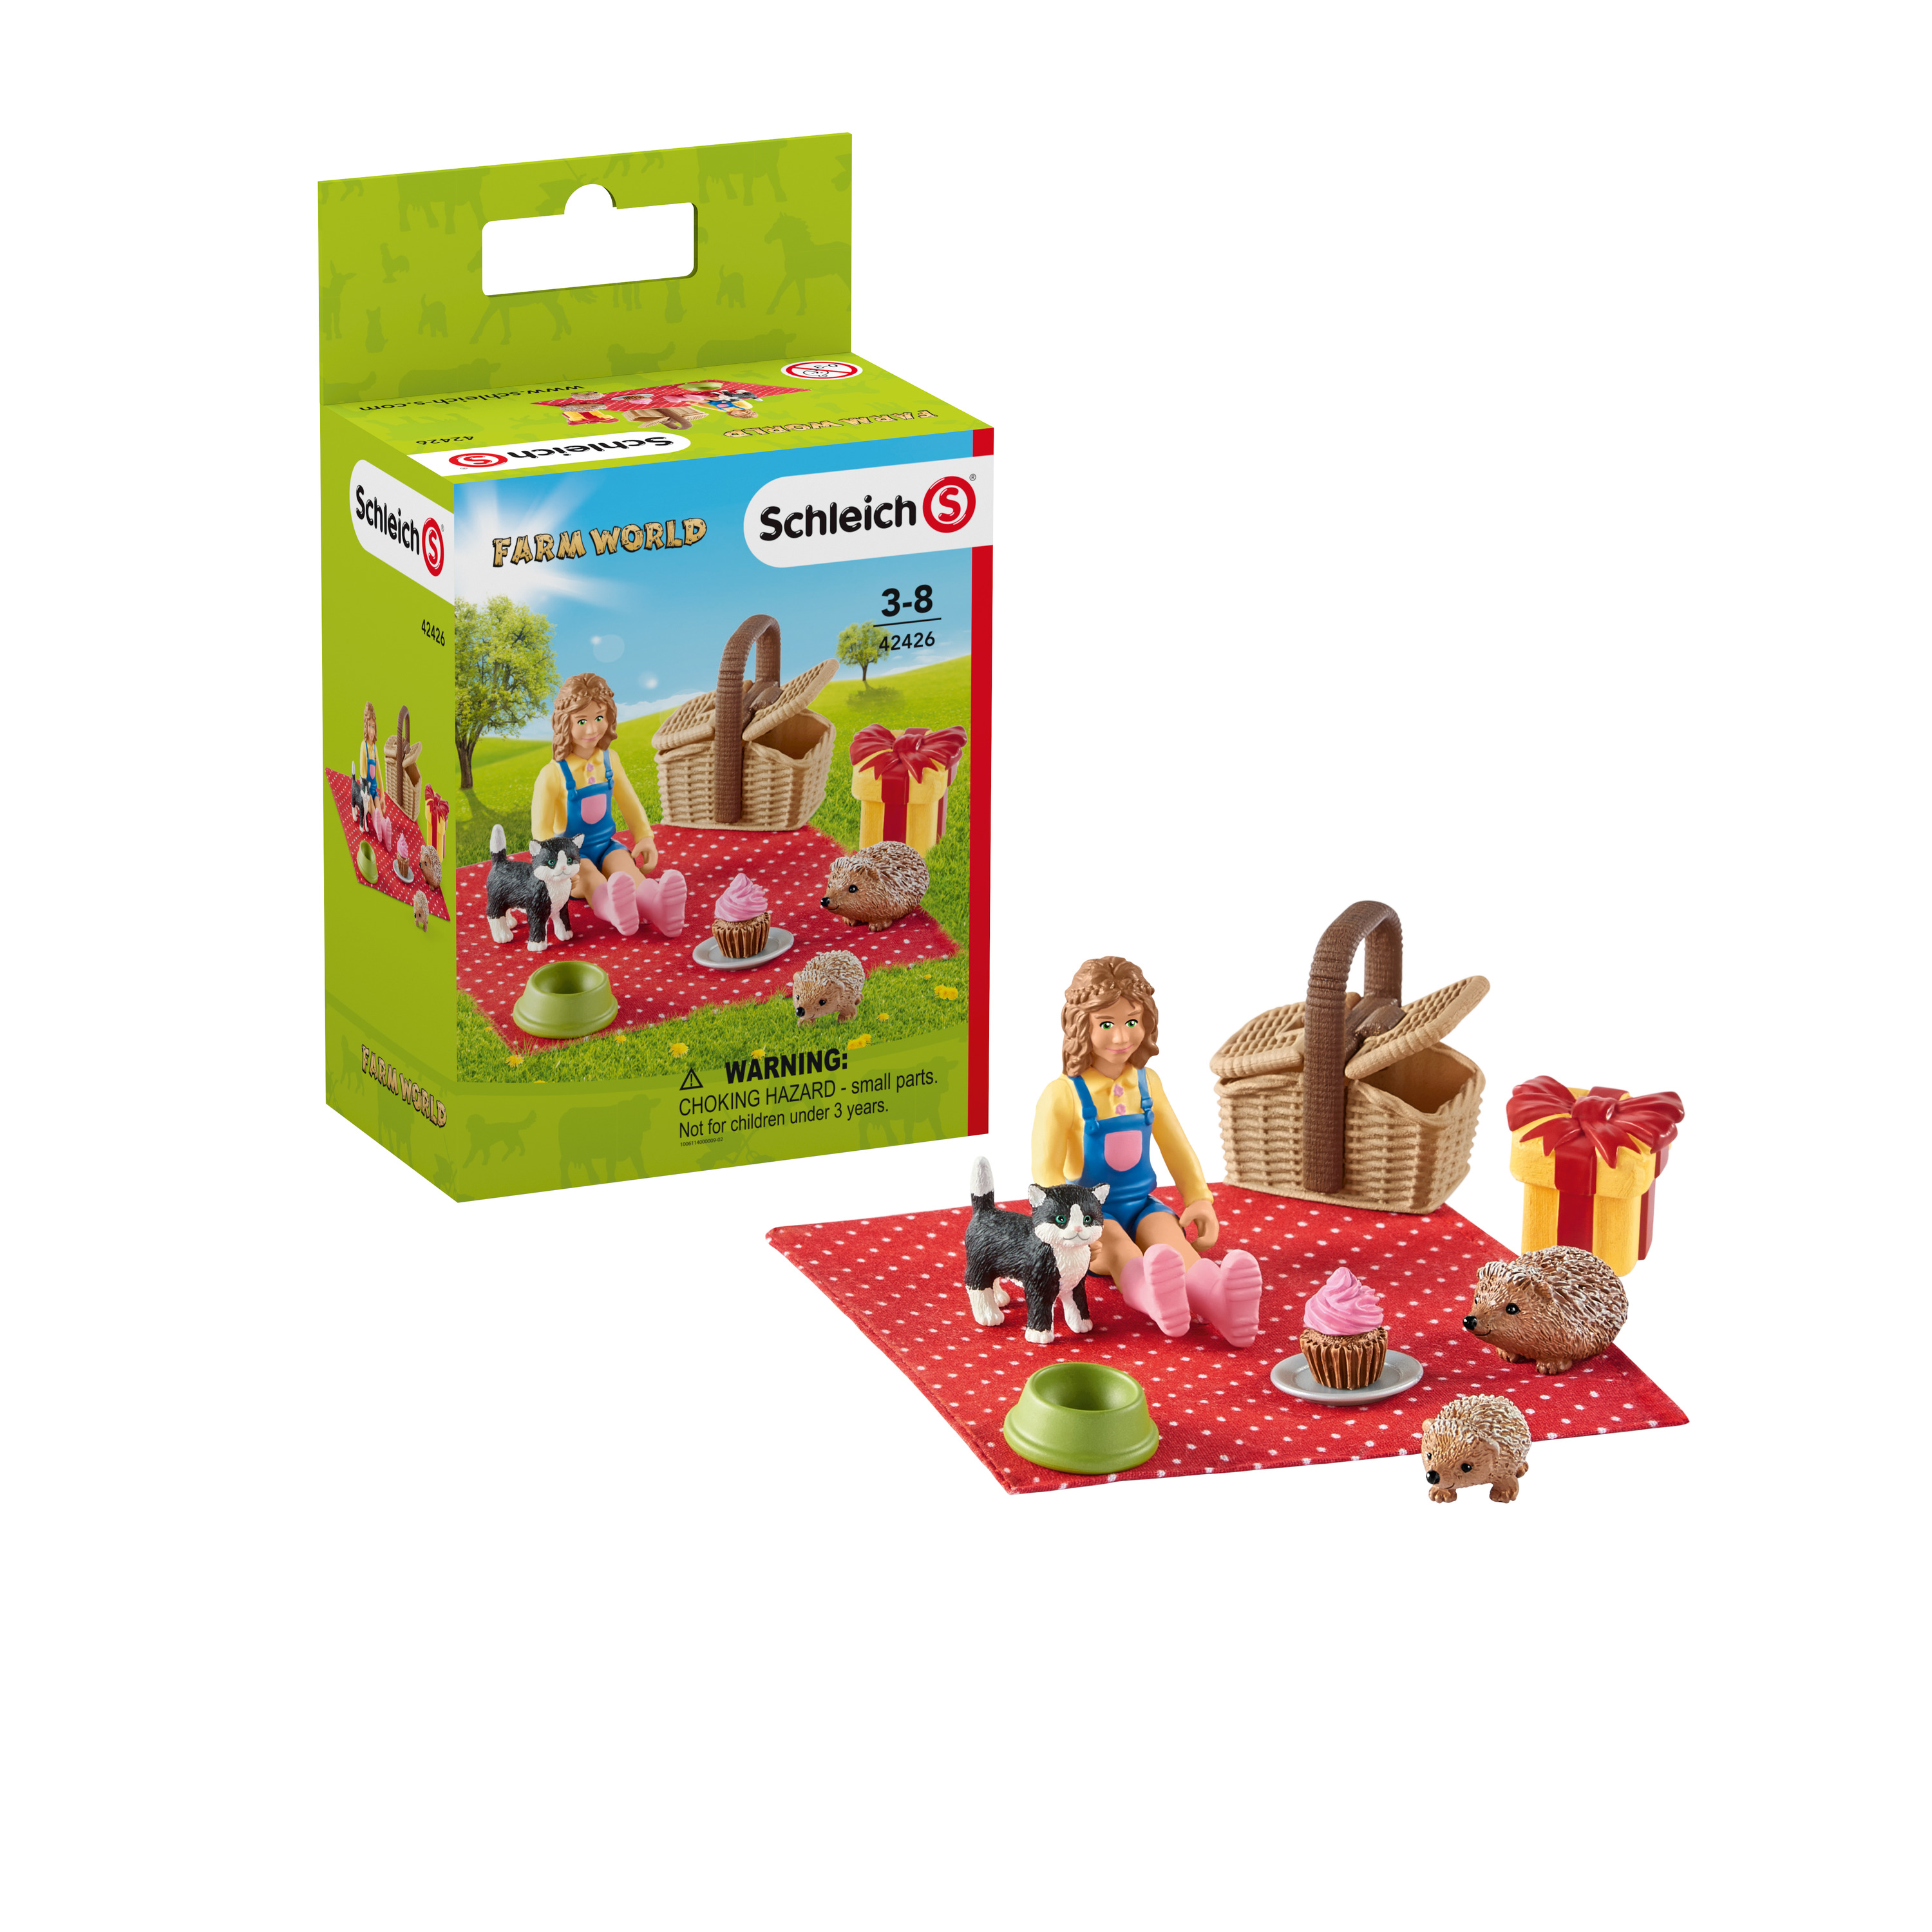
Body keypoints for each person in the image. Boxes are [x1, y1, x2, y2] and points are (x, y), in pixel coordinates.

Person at [1030, 956, 1264, 1347]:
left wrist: (1199, 1198)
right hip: (1092, 1216)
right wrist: (1074, 1227)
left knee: (1173, 1242)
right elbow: (1047, 1172)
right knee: (1121, 1249)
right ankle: (1157, 1300)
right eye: (1107, 1024)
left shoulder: (1147, 1083)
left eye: (1132, 1021)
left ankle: (1223, 1302)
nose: (1122, 1037)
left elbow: (1176, 1145)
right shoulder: (1062, 1095)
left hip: (1142, 1203)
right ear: (1081, 1027)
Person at [530, 672, 686, 938]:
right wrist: (559, 867)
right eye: (582, 721)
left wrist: (644, 837)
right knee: (592, 877)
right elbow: (542, 831)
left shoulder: (610, 760)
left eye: (599, 718)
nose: (592, 730)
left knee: (627, 869)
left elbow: (629, 801)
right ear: (565, 723)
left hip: (606, 845)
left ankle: (659, 907)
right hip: (573, 858)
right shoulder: (553, 774)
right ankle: (616, 910)